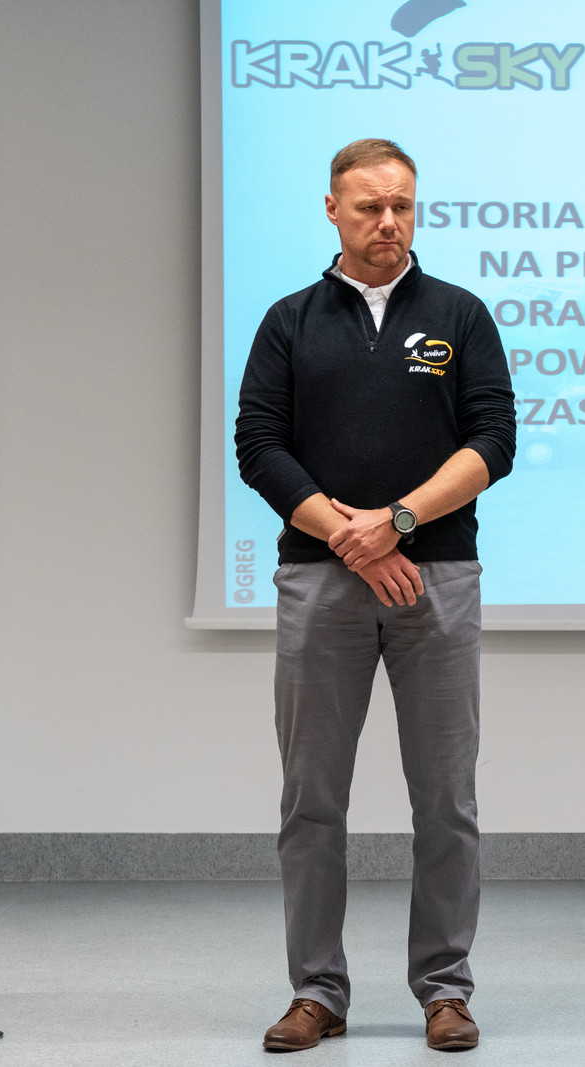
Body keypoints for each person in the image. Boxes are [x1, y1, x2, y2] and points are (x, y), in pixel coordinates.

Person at [234, 138, 516, 1052]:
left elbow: (493, 441)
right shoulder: (289, 321)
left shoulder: (460, 315)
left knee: (446, 798)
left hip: (439, 578)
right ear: (333, 209)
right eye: (369, 207)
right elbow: (259, 445)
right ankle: (316, 990)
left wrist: (396, 520)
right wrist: (351, 541)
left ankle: (446, 990)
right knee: (312, 798)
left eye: (402, 205)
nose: (388, 222)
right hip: (321, 579)